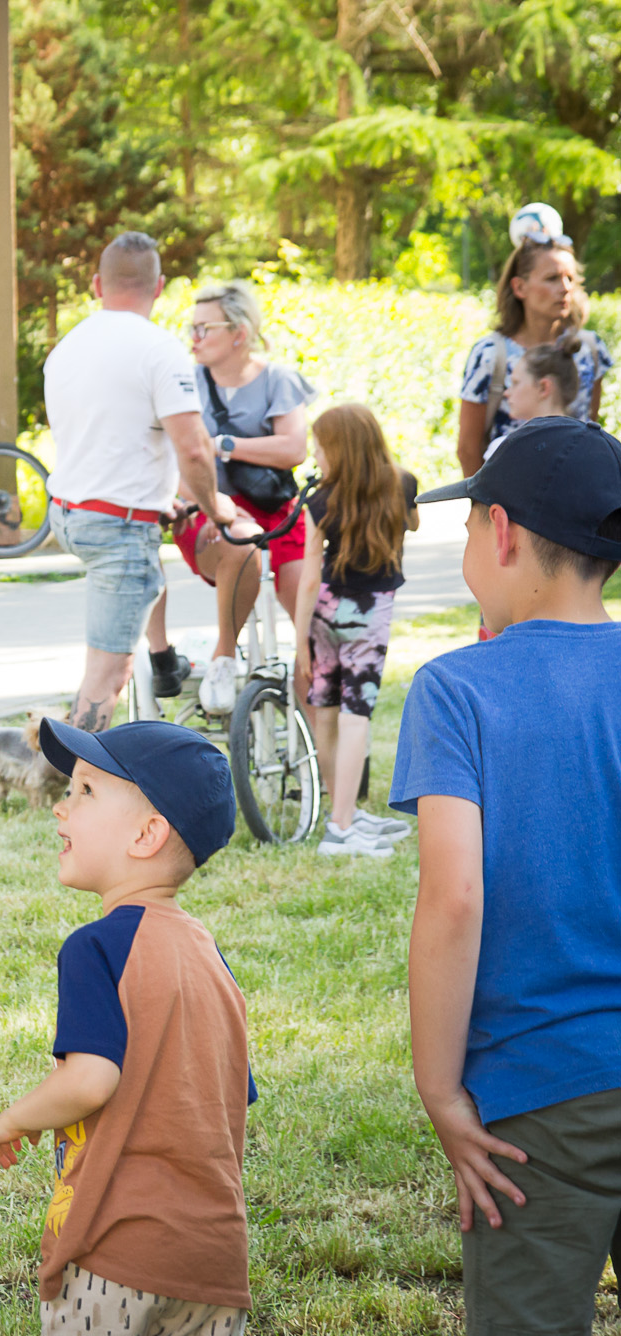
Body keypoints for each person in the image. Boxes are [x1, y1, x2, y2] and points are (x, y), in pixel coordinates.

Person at [392, 417, 621, 1333]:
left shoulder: (457, 689)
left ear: (502, 531)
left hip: (538, 1094)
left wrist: (441, 1091)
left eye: (467, 523)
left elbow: (455, 900)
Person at [0, 718, 252, 1335]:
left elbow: (89, 1081)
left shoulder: (96, 947)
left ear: (147, 834)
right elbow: (227, 1092)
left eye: (83, 793)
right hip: (213, 1263)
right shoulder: (210, 956)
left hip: (114, 1251)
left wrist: (16, 1116)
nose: (60, 808)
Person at [44, 233, 228, 732]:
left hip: (69, 512)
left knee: (111, 654)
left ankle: (159, 665)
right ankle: (74, 785)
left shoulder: (67, 347)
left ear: (97, 284)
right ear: (160, 286)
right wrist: (215, 508)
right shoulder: (160, 350)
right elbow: (193, 449)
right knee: (110, 674)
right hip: (115, 528)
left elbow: (105, 438)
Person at [147, 280, 313, 712]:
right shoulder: (184, 382)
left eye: (205, 328)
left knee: (313, 627)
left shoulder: (277, 379)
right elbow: (174, 456)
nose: (194, 338)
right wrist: (205, 496)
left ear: (239, 333)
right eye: (192, 327)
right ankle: (224, 656)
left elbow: (294, 448)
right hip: (208, 509)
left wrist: (222, 445)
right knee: (240, 545)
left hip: (278, 513)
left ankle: (319, 742)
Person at [291, 404, 417, 858]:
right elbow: (413, 522)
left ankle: (340, 814)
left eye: (321, 447)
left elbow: (309, 577)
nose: (316, 455)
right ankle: (342, 827)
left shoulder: (319, 500)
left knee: (325, 712)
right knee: (355, 716)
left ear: (340, 449)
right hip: (371, 615)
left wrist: (300, 640)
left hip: (325, 614)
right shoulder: (402, 483)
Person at [456, 229, 609, 478]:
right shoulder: (490, 355)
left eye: (570, 278)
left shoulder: (590, 349)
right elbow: (468, 448)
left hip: (577, 496)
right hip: (507, 502)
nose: (565, 288)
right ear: (519, 287)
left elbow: (591, 428)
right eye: (552, 278)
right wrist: (484, 509)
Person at [483, 334, 579, 464]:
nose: (507, 393)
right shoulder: (592, 448)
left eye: (516, 383)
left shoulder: (505, 451)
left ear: (543, 387)